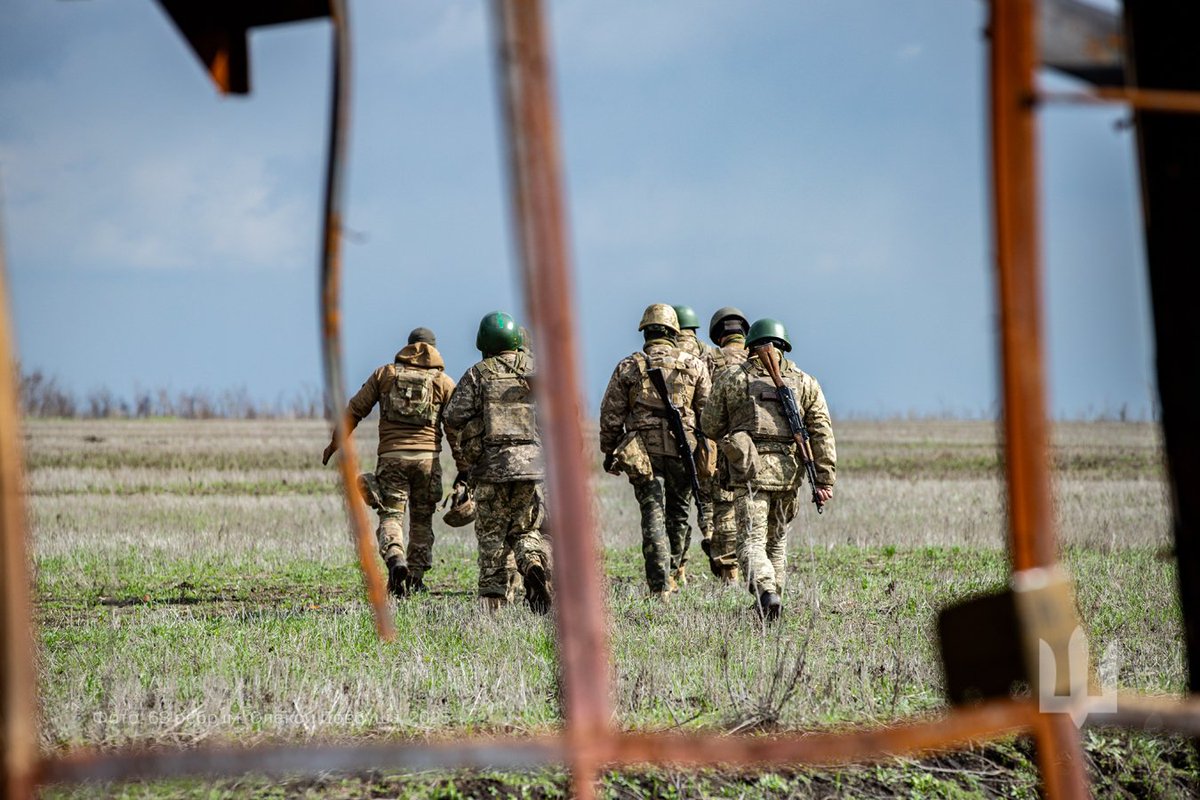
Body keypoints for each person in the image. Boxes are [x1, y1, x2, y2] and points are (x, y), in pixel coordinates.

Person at [701, 318, 836, 620]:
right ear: (784, 345)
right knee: (777, 543)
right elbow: (822, 433)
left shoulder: (732, 378)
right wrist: (824, 479)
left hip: (750, 472)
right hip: (789, 473)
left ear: (750, 346)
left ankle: (766, 592)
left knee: (750, 542)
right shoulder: (805, 382)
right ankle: (772, 602)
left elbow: (709, 425)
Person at [322, 327, 456, 597]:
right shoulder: (443, 382)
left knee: (391, 516)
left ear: (407, 347)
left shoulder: (385, 374)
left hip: (391, 459)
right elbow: (455, 427)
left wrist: (335, 442)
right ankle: (416, 579)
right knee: (422, 521)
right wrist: (465, 467)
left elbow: (355, 409)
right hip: (427, 462)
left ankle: (396, 559)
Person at [443, 311, 552, 614]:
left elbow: (452, 415)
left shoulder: (478, 373)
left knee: (492, 538)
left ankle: (493, 607)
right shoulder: (535, 369)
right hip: (531, 470)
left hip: (491, 470)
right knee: (526, 530)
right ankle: (532, 566)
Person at [599, 303, 711, 599]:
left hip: (642, 453)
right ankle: (672, 573)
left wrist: (609, 450)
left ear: (645, 332)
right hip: (682, 448)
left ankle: (658, 585)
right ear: (674, 332)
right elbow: (708, 415)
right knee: (678, 513)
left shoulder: (628, 366)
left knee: (653, 512)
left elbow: (611, 414)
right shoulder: (695, 365)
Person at [700, 306, 751, 584]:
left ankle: (729, 573)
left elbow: (703, 402)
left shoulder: (710, 359)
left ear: (718, 334)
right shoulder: (759, 357)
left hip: (723, 446)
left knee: (724, 508)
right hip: (757, 448)